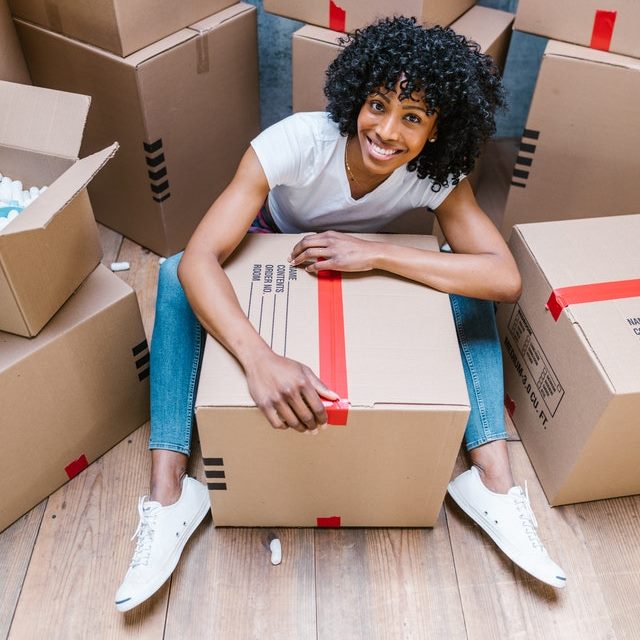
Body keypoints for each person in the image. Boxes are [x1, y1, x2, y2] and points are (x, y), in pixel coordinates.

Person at [115, 16, 566, 612]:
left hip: (346, 265)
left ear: (436, 131)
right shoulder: (298, 142)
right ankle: (170, 496)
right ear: (358, 96)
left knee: (468, 282)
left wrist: (376, 251)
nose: (385, 130)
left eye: (412, 117)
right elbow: (198, 257)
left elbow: (503, 277)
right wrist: (260, 359)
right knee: (175, 273)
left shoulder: (436, 173)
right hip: (269, 250)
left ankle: (493, 483)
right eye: (377, 104)